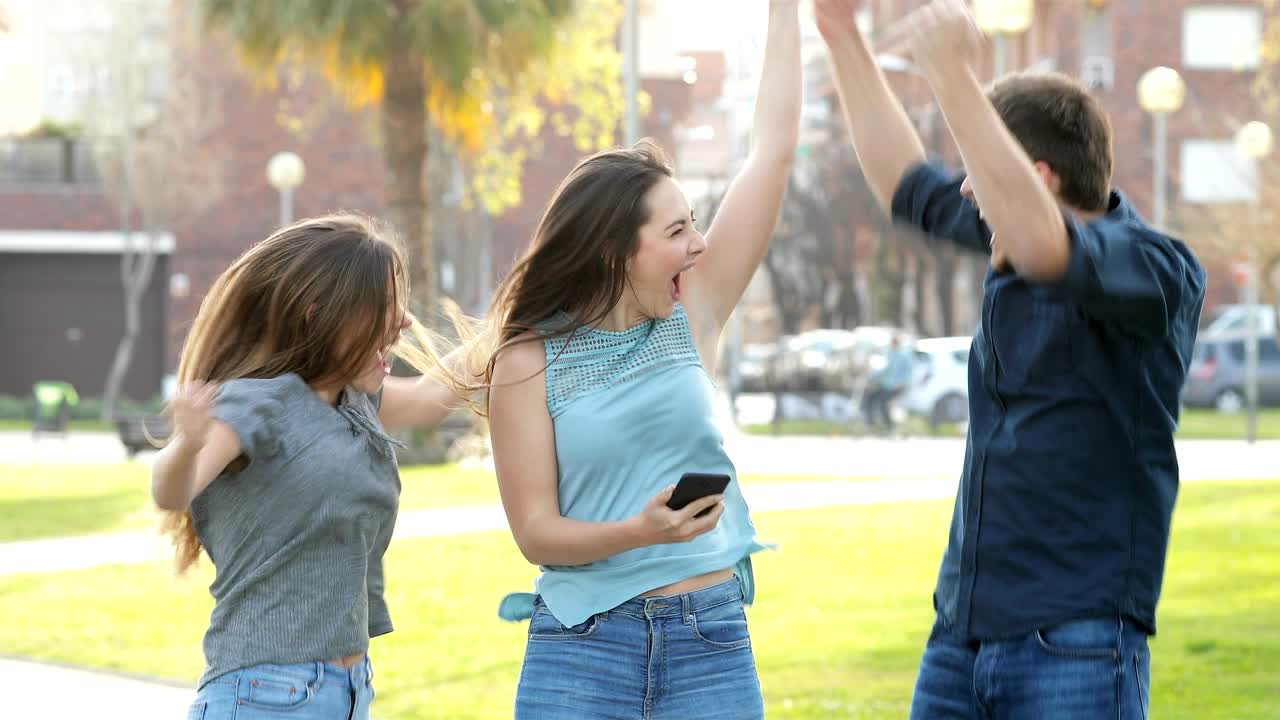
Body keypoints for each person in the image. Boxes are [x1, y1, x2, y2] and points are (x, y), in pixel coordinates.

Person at [815, 0, 1206, 717]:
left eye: (978, 173)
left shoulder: (1153, 268)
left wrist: (954, 75)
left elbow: (1044, 243)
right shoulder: (1011, 246)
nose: (965, 191)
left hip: (1077, 641)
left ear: (1041, 178)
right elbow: (906, 186)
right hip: (960, 637)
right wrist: (841, 34)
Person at [474, 2, 800, 717]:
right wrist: (637, 532)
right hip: (582, 648)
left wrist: (786, 11)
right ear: (615, 252)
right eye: (678, 229)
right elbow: (537, 534)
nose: (700, 244)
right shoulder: (526, 361)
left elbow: (771, 154)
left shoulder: (691, 313)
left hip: (708, 639)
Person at [151, 213, 470, 720]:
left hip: (346, 691)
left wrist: (527, 311)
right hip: (267, 695)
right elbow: (172, 491)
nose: (405, 321)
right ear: (321, 313)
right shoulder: (256, 405)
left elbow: (435, 397)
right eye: (386, 305)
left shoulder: (353, 401)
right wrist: (188, 442)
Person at [861, 335, 913, 434]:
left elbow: (908, 373)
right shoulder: (890, 355)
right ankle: (871, 424)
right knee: (870, 399)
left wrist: (902, 383)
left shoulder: (903, 356)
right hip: (886, 386)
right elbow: (884, 370)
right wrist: (870, 377)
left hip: (895, 387)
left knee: (883, 403)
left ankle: (890, 427)